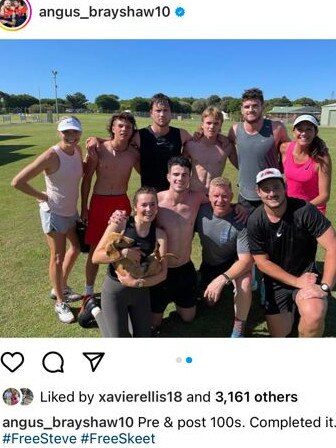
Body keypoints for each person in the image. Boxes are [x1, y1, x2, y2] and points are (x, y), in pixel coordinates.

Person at [246, 168, 336, 337]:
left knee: (314, 315)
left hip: (307, 276)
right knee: (280, 336)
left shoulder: (305, 210)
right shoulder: (255, 220)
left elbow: (333, 245)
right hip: (276, 282)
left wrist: (325, 287)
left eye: (276, 187)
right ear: (258, 192)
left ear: (284, 187)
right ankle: (287, 306)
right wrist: (296, 282)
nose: (272, 193)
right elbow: (262, 263)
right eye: (266, 189)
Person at [11, 116, 83, 323]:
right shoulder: (51, 155)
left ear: (80, 133)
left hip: (71, 210)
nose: (70, 136)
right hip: (54, 212)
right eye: (66, 132)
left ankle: (60, 287)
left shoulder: (77, 151)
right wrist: (42, 196)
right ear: (59, 132)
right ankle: (60, 302)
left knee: (77, 248)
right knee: (57, 257)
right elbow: (18, 182)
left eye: (74, 132)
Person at [79, 187, 168, 337]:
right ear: (135, 207)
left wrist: (137, 283)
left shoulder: (160, 235)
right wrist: (123, 253)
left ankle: (104, 313)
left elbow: (163, 274)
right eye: (144, 205)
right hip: (115, 290)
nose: (149, 209)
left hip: (141, 291)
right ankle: (94, 309)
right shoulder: (121, 225)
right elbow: (96, 256)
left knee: (144, 338)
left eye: (153, 204)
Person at [80, 112, 139, 303]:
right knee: (95, 250)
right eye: (119, 126)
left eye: (128, 127)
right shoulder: (98, 149)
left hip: (121, 204)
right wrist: (84, 208)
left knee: (121, 248)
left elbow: (149, 172)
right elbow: (87, 180)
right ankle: (88, 292)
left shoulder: (133, 153)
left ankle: (121, 287)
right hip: (100, 202)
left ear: (132, 131)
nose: (123, 129)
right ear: (112, 128)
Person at [86, 93, 192, 192]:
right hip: (149, 196)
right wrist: (96, 139)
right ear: (151, 113)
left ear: (171, 113)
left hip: (174, 194)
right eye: (158, 110)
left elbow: (198, 144)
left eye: (165, 110)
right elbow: (116, 141)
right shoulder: (139, 135)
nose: (162, 114)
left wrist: (200, 133)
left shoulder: (181, 134)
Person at [150, 156, 205, 332]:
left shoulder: (196, 198)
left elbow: (221, 202)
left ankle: (183, 298)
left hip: (184, 268)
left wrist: (238, 207)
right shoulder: (156, 201)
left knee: (188, 318)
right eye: (176, 174)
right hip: (160, 269)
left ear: (190, 178)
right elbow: (137, 222)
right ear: (168, 177)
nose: (180, 179)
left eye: (184, 175)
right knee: (154, 323)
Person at [195, 177, 253, 337]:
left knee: (246, 282)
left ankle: (239, 327)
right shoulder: (201, 212)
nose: (220, 200)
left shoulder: (240, 219)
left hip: (233, 263)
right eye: (216, 196)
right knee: (209, 302)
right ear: (208, 196)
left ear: (232, 196)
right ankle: (205, 282)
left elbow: (245, 261)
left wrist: (221, 279)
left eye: (225, 196)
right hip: (209, 265)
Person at [228, 87, 289, 212]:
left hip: (272, 194)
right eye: (247, 107)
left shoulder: (277, 128)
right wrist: (242, 166)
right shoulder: (234, 130)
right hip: (246, 195)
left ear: (262, 107)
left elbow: (291, 151)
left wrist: (281, 169)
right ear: (241, 109)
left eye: (255, 105)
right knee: (247, 230)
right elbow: (228, 150)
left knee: (274, 230)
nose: (251, 110)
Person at [280, 114, 332, 214]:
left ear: (315, 132)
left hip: (312, 211)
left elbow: (324, 196)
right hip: (288, 207)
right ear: (293, 131)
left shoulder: (322, 157)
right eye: (300, 129)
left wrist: (301, 209)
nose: (304, 133)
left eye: (309, 129)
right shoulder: (285, 149)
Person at [183, 106, 237, 194]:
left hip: (214, 195)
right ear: (202, 124)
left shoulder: (227, 146)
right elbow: (180, 168)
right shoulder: (191, 145)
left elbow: (241, 167)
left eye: (216, 123)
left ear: (221, 125)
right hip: (193, 193)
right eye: (208, 123)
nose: (212, 126)